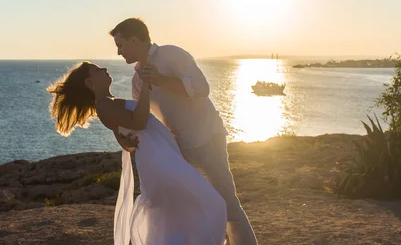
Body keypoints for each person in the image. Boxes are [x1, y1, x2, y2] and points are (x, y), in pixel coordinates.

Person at [110, 18, 258, 245]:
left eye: (120, 45)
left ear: (133, 39)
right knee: (193, 206)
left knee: (227, 203)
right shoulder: (137, 79)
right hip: (179, 149)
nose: (119, 51)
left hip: (207, 138)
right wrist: (121, 137)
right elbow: (140, 118)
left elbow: (202, 87)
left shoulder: (171, 54)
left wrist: (161, 80)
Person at [47, 62, 226, 244]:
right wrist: (146, 89)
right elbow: (139, 122)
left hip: (162, 155)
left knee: (177, 213)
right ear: (89, 82)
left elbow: (121, 132)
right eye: (97, 70)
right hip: (158, 159)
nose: (104, 70)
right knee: (209, 203)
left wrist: (123, 140)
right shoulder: (103, 105)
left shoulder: (107, 104)